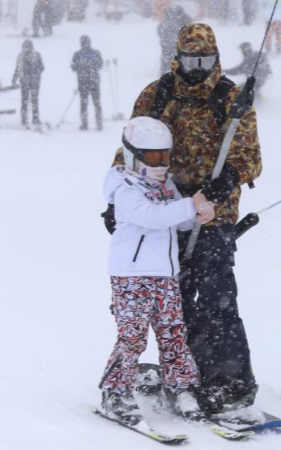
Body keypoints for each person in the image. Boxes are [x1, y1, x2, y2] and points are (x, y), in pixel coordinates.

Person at [105, 23, 262, 415]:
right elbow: (132, 145)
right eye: (190, 59)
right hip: (163, 212)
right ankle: (181, 371)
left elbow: (250, 157)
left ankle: (226, 377)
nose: (197, 67)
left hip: (214, 214)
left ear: (216, 58)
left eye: (204, 59)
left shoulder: (231, 98)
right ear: (177, 57)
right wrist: (116, 201)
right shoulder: (157, 94)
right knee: (168, 299)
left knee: (216, 296)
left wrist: (226, 180)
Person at [99, 116, 214, 425]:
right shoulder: (125, 186)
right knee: (133, 336)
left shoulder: (166, 185)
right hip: (132, 275)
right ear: (133, 154)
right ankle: (115, 391)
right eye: (153, 157)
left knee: (174, 332)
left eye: (165, 156)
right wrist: (190, 205)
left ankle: (181, 388)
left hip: (165, 275)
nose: (161, 163)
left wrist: (196, 216)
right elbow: (150, 217)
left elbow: (174, 218)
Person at [71, 35, 104, 131]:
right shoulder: (95, 53)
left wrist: (81, 68)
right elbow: (100, 65)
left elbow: (73, 67)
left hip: (83, 82)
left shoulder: (77, 54)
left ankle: (85, 124)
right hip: (94, 81)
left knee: (84, 104)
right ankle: (99, 124)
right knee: (97, 103)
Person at [12, 39, 45, 128]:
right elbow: (17, 68)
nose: (25, 49)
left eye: (27, 47)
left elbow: (42, 68)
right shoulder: (20, 56)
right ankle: (24, 119)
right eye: (24, 47)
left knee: (34, 100)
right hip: (24, 81)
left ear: (31, 47)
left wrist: (35, 71)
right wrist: (14, 78)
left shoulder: (37, 55)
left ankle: (35, 118)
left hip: (35, 82)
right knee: (24, 100)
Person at [157, 5, 192, 76]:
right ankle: (179, 72)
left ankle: (165, 71)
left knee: (167, 58)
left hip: (168, 43)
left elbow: (160, 30)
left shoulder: (166, 20)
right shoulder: (184, 19)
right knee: (179, 58)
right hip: (176, 43)